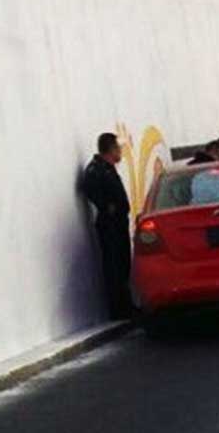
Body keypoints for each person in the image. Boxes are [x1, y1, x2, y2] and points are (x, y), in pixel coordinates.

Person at [82, 133, 132, 319]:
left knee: (123, 263)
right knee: (113, 265)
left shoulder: (108, 169)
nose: (120, 152)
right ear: (111, 149)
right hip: (109, 225)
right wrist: (105, 206)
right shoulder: (97, 170)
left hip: (119, 223)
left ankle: (126, 305)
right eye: (118, 148)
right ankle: (118, 308)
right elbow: (89, 188)